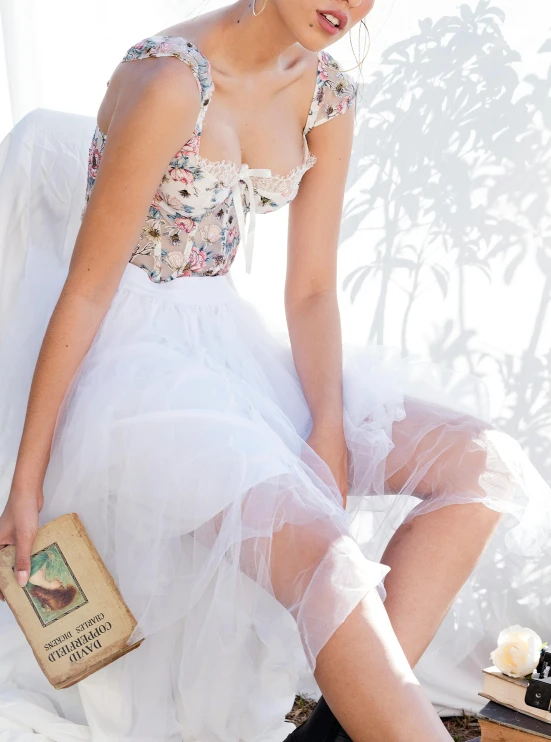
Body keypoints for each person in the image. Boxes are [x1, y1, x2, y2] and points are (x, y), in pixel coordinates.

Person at [0, 1, 549, 740]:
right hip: (131, 363)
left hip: (228, 342)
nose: (347, 5)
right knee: (325, 556)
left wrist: (325, 420)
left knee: (481, 465)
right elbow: (89, 286)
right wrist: (26, 481)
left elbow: (313, 288)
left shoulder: (326, 93)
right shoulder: (170, 79)